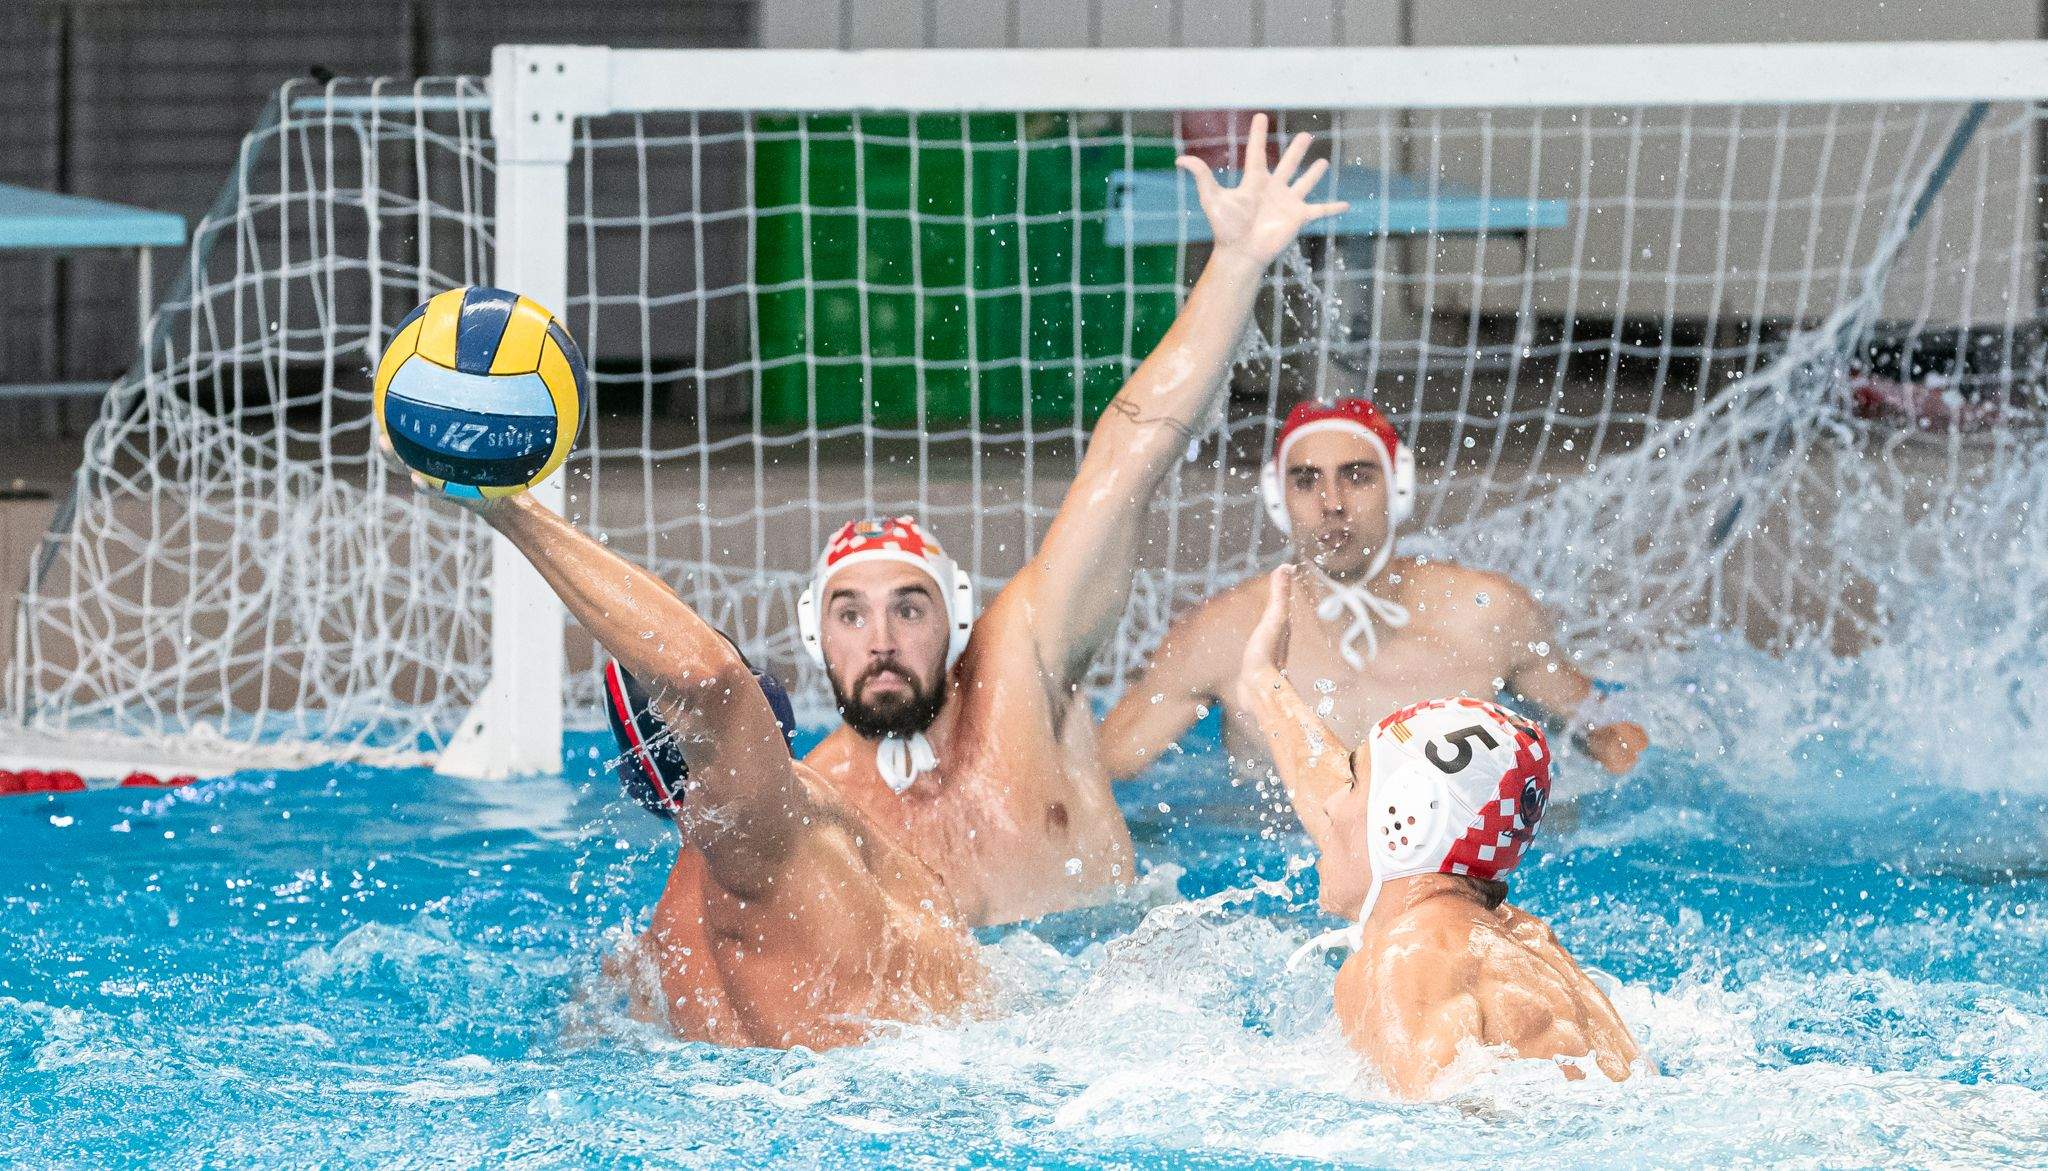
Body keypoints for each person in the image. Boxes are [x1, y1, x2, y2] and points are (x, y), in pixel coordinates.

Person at [400, 118, 1345, 1047]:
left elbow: (1131, 448)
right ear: (816, 639)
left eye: (910, 604)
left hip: (1134, 1019)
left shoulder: (1021, 676)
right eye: (850, 612)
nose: (882, 634)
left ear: (960, 619)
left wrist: (1235, 262)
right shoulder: (811, 800)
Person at [1098, 393, 1648, 789]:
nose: (1332, 502)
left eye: (1357, 476)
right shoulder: (1221, 636)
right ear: (1278, 499)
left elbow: (1610, 745)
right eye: (1306, 480)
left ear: (1398, 486)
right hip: (1285, 876)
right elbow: (1102, 771)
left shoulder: (1485, 615)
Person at [1237, 566, 1645, 1099]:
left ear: (1404, 821)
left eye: (1355, 784)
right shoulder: (1534, 951)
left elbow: (1441, 1138)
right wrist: (1264, 681)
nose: (1331, 808)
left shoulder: (1408, 960)